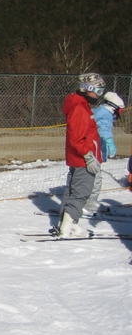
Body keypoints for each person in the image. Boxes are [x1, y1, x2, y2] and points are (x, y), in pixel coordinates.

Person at [57, 72, 105, 238]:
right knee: (81, 193)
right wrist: (89, 156)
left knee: (72, 191)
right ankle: (69, 227)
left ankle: (65, 223)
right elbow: (77, 138)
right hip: (83, 159)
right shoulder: (80, 108)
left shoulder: (82, 105)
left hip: (79, 158)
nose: (100, 94)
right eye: (98, 90)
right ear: (87, 89)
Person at [84, 91, 125, 215]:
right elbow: (103, 129)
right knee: (96, 178)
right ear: (115, 108)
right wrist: (110, 143)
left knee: (87, 177)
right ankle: (89, 203)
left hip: (93, 150)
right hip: (94, 151)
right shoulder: (105, 114)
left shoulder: (100, 111)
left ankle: (84, 201)